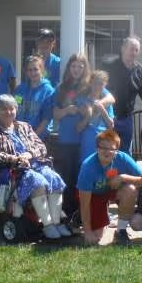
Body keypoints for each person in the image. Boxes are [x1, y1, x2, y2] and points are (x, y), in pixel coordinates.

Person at [0, 94, 69, 240]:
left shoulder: (24, 126)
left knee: (55, 178)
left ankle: (57, 222)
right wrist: (15, 159)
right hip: (12, 169)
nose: (8, 112)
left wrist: (28, 154)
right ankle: (47, 225)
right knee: (37, 181)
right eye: (4, 109)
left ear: (16, 110)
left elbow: (41, 147)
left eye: (11, 109)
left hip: (35, 163)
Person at [76, 128, 142, 246]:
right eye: (103, 148)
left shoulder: (123, 158)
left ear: (116, 150)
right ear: (97, 148)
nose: (107, 152)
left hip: (114, 191)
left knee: (130, 190)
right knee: (96, 237)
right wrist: (87, 231)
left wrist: (123, 178)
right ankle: (85, 217)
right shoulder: (87, 167)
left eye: (111, 149)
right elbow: (84, 203)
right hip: (94, 196)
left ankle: (120, 231)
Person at [51, 53, 90, 218]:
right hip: (66, 140)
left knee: (82, 178)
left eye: (80, 66)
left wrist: (87, 114)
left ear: (85, 68)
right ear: (69, 68)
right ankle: (67, 212)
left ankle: (82, 213)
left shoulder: (89, 87)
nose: (76, 69)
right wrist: (67, 110)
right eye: (74, 66)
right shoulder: (61, 88)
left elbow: (109, 98)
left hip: (84, 141)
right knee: (67, 177)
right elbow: (55, 115)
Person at [104, 36, 142, 154]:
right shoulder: (110, 66)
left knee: (125, 152)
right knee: (109, 150)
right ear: (123, 49)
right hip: (109, 117)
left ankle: (123, 172)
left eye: (136, 50)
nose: (133, 52)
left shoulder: (138, 70)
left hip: (127, 118)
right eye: (131, 49)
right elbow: (99, 88)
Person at [14, 55, 56, 138]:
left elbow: (46, 119)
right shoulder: (20, 89)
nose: (33, 73)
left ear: (42, 70)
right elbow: (15, 110)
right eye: (30, 70)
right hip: (19, 135)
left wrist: (33, 137)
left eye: (35, 69)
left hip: (39, 138)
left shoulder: (48, 91)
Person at [78, 70, 114, 160]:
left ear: (105, 85)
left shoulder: (106, 103)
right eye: (95, 83)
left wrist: (102, 110)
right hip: (88, 141)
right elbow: (78, 128)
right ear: (90, 83)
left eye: (101, 84)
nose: (97, 86)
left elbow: (111, 125)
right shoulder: (83, 101)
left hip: (104, 142)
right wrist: (88, 115)